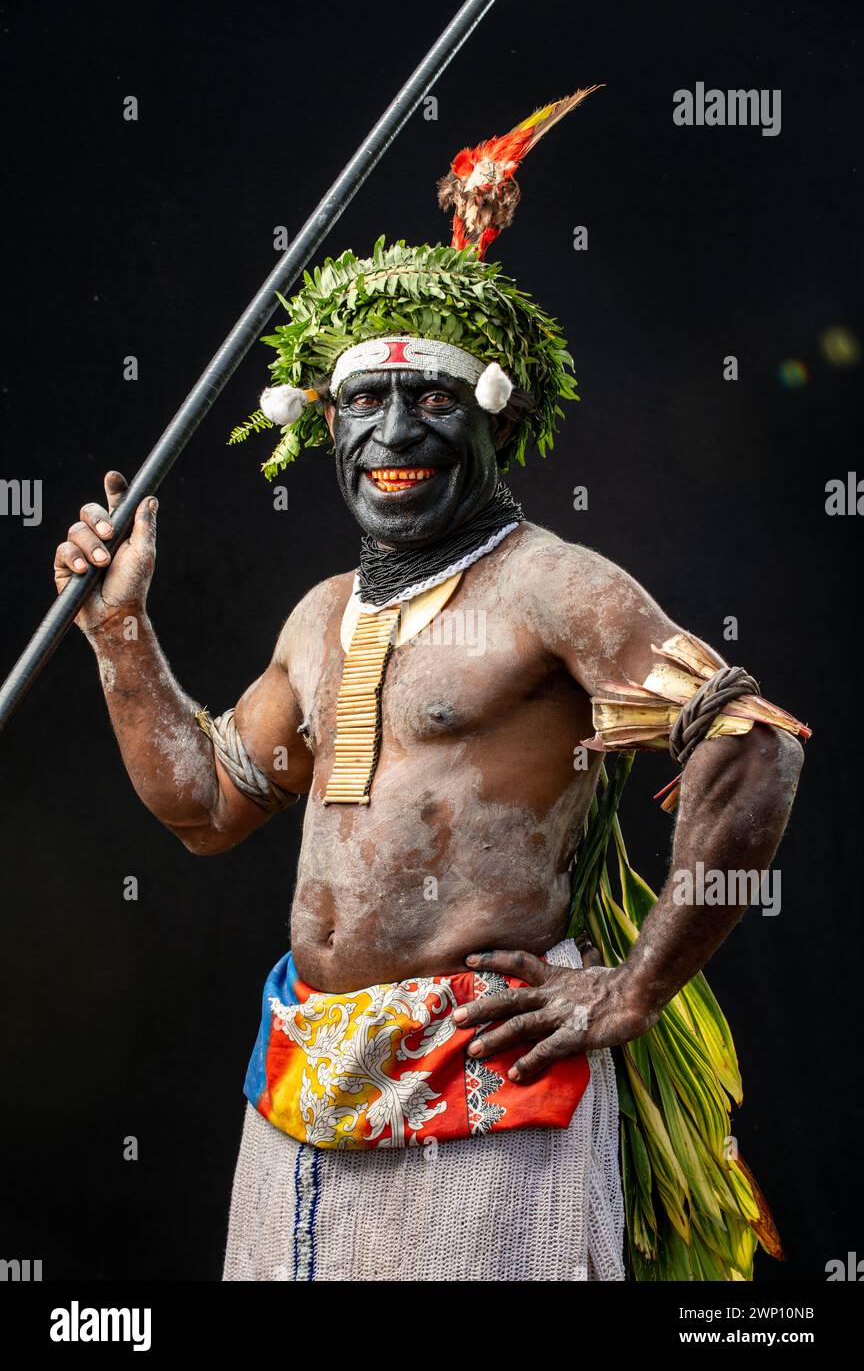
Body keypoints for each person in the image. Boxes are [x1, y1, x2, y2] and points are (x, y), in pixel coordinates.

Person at [51, 99, 807, 1283]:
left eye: (435, 399)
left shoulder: (555, 586)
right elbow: (203, 806)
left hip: (491, 1082)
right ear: (327, 425)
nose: (396, 430)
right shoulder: (318, 617)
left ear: (494, 416)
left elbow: (756, 747)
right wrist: (121, 635)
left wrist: (636, 986)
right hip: (304, 1080)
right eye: (365, 402)